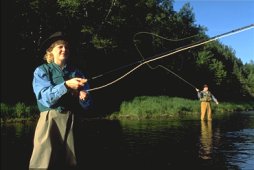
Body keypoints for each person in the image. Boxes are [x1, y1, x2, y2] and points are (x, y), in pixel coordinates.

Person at [29, 31, 91, 170]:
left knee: (73, 164)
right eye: (60, 47)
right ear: (51, 51)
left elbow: (87, 104)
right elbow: (45, 98)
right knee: (43, 164)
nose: (64, 49)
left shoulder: (77, 72)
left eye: (67, 47)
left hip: (74, 121)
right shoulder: (41, 70)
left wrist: (84, 97)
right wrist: (66, 85)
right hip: (50, 120)